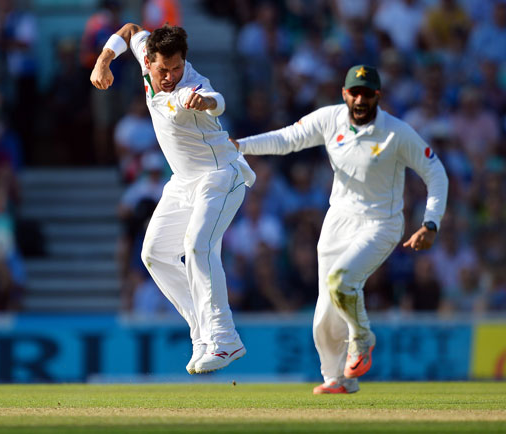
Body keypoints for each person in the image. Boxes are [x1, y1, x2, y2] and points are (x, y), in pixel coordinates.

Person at [233, 65, 448, 393]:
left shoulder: (396, 132)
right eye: (354, 93)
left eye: (367, 94)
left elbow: (435, 172)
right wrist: (241, 146)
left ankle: (362, 339)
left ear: (378, 96)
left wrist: (430, 222)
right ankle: (338, 379)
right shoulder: (330, 118)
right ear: (345, 93)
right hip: (338, 221)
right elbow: (288, 138)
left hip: (381, 222)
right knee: (324, 311)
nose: (360, 100)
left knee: (342, 281)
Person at [91, 23, 255, 374]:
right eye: (163, 69)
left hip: (221, 177)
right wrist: (103, 59)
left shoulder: (191, 86)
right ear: (147, 60)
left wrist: (205, 100)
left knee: (198, 246)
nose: (169, 77)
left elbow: (217, 102)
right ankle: (202, 334)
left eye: (176, 68)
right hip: (183, 183)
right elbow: (131, 29)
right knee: (154, 254)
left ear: (185, 62)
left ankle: (225, 339)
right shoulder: (146, 53)